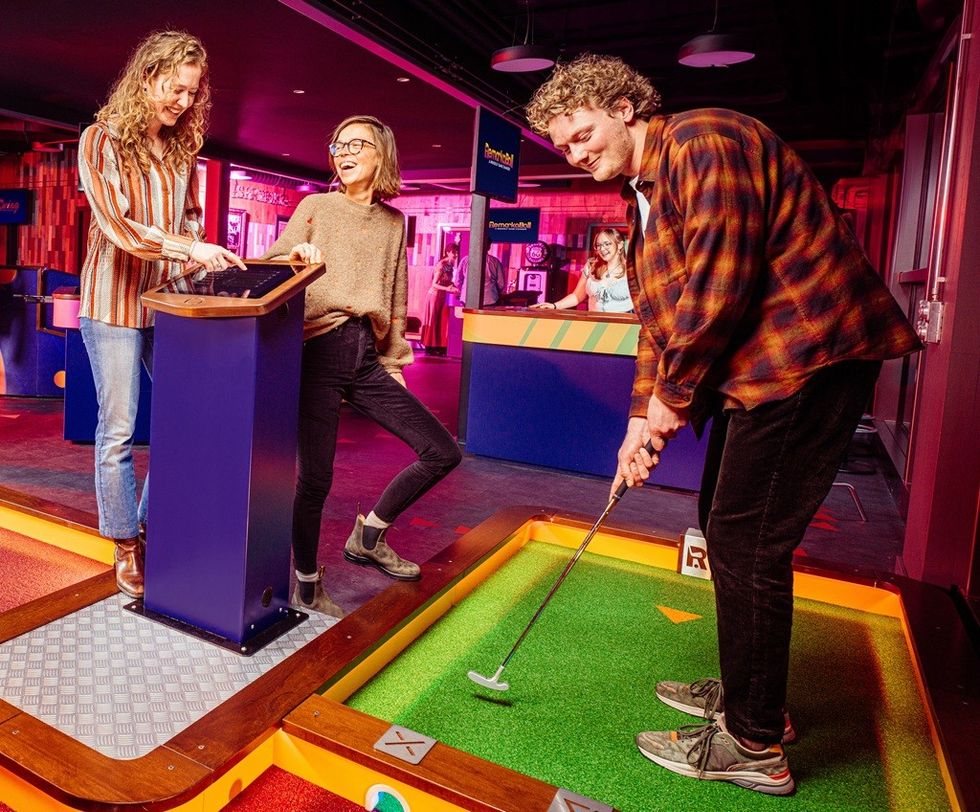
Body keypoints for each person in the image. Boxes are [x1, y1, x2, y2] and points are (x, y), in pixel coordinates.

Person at [526, 54, 921, 796]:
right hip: (765, 373)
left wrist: (673, 402)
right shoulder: (640, 201)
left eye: (581, 134)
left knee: (746, 538)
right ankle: (753, 697)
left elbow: (721, 279)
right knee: (722, 523)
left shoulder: (702, 141)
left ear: (624, 106)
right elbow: (659, 322)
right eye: (566, 149)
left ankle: (754, 744)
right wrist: (640, 419)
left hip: (807, 357)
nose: (577, 156)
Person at [263, 114, 461, 618]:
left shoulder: (394, 222)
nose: (344, 151)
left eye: (358, 143)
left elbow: (395, 297)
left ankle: (369, 534)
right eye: (338, 143)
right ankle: (306, 583)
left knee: (440, 452)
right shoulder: (315, 206)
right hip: (318, 353)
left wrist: (394, 361)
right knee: (315, 481)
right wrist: (297, 257)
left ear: (381, 156)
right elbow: (271, 264)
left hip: (365, 357)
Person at [77, 30, 245, 599]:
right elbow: (117, 226)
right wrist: (187, 248)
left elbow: (192, 220)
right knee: (119, 430)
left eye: (191, 93)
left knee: (184, 415)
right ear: (145, 77)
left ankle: (146, 522)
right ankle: (126, 542)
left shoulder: (180, 150)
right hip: (115, 305)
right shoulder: (100, 141)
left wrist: (201, 256)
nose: (182, 101)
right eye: (175, 88)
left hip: (168, 302)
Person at [532, 228, 631, 312]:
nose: (602, 249)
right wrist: (554, 306)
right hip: (596, 325)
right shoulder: (591, 266)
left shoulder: (632, 269)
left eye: (607, 244)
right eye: (599, 245)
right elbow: (577, 296)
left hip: (623, 327)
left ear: (620, 245)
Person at [420, 243, 460, 354]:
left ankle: (437, 346)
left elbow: (446, 280)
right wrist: (448, 289)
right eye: (453, 252)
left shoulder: (450, 265)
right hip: (435, 296)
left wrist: (453, 286)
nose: (455, 254)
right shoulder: (442, 264)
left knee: (440, 321)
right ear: (448, 252)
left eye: (456, 252)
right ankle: (430, 347)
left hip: (442, 296)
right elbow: (434, 284)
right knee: (434, 321)